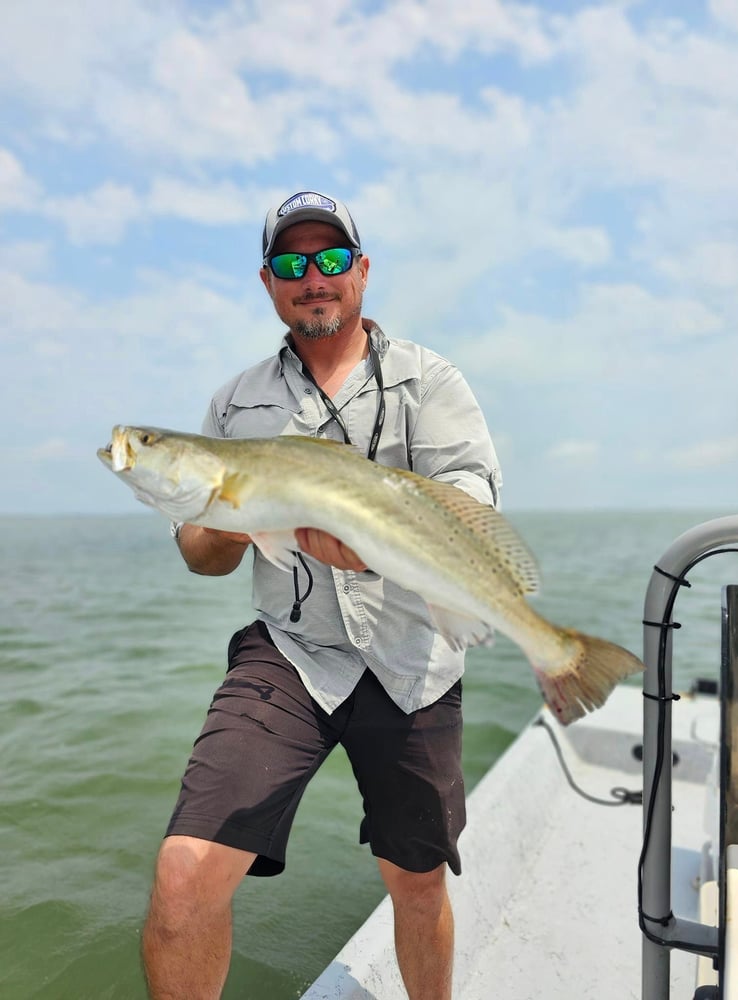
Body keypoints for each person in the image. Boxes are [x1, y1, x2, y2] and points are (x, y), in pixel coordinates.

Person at [141, 190, 500, 1000]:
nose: (315, 277)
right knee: (183, 875)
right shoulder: (235, 406)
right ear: (268, 283)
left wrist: (377, 544)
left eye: (332, 259)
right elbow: (203, 558)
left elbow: (471, 502)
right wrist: (232, 517)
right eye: (293, 263)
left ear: (362, 272)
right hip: (294, 652)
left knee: (415, 884)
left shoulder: (430, 381)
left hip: (415, 654)